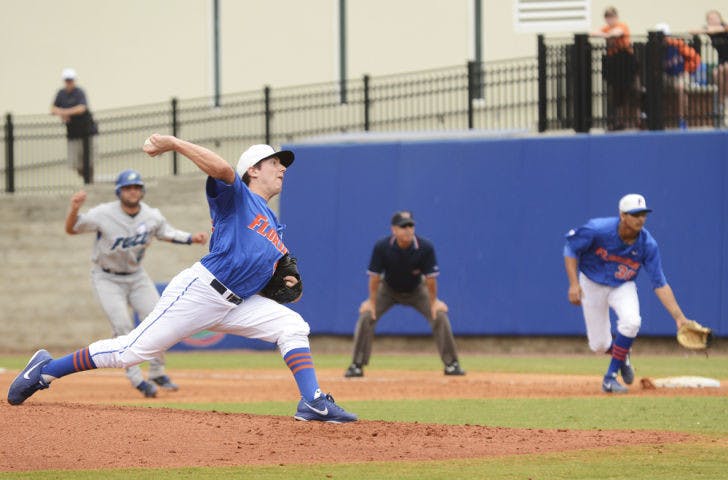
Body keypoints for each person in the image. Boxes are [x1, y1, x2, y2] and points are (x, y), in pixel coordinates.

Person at [8, 135, 358, 423]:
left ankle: (312, 401)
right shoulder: (236, 197)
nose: (282, 168)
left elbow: (272, 272)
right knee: (131, 352)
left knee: (292, 325)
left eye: (283, 164)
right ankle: (45, 370)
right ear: (252, 170)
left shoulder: (273, 223)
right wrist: (175, 144)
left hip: (237, 304)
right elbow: (222, 168)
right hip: (202, 291)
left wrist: (285, 282)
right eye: (275, 162)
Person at [65, 169, 209, 397]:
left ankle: (156, 371)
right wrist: (74, 209)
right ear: (119, 191)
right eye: (128, 188)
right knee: (123, 328)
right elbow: (72, 229)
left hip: (136, 276)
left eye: (136, 187)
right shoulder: (104, 213)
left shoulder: (152, 216)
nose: (133, 191)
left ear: (142, 190)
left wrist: (192, 238)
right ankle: (137, 380)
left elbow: (167, 233)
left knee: (160, 319)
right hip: (106, 277)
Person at [563, 194, 692, 394]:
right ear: (622, 215)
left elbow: (660, 283)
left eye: (643, 214)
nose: (641, 219)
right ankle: (622, 355)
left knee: (632, 322)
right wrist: (573, 284)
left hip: (622, 285)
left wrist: (679, 317)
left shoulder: (648, 245)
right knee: (598, 345)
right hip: (591, 283)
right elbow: (571, 248)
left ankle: (610, 378)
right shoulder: (598, 230)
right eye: (635, 214)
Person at [344, 211, 465, 378]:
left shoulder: (425, 247)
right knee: (366, 315)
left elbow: (430, 279)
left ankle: (452, 364)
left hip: (417, 290)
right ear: (394, 229)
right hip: (388, 290)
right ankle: (356, 365)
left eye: (410, 225)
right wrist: (371, 302)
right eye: (403, 226)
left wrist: (434, 301)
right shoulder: (382, 247)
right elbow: (374, 277)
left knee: (439, 315)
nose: (408, 229)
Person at [591, 6, 640, 131]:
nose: (609, 19)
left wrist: (607, 35)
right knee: (616, 94)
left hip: (626, 63)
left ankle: (638, 119)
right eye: (607, 17)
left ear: (616, 17)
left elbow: (617, 33)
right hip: (615, 65)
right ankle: (618, 121)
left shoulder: (622, 26)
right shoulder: (607, 29)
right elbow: (592, 33)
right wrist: (607, 34)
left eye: (611, 16)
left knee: (632, 91)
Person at [51, 68, 99, 182]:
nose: (69, 83)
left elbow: (82, 108)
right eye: (67, 80)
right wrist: (64, 113)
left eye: (71, 80)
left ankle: (89, 181)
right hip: (72, 133)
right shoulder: (61, 93)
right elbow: (53, 109)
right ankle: (87, 179)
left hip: (87, 133)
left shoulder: (79, 92)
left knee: (89, 161)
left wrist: (64, 112)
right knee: (76, 164)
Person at [654, 23, 701, 129]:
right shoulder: (654, 49)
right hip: (665, 76)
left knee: (681, 88)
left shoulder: (678, 44)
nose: (663, 39)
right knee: (654, 87)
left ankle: (682, 119)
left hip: (680, 74)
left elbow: (696, 58)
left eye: (664, 36)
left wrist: (687, 70)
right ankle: (656, 119)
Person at [690, 10, 728, 124]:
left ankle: (724, 100)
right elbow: (692, 31)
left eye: (714, 18)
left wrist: (714, 29)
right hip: (723, 60)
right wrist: (707, 30)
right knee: (717, 73)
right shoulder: (708, 30)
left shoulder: (724, 26)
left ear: (720, 19)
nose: (712, 20)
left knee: (725, 69)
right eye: (710, 19)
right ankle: (722, 101)